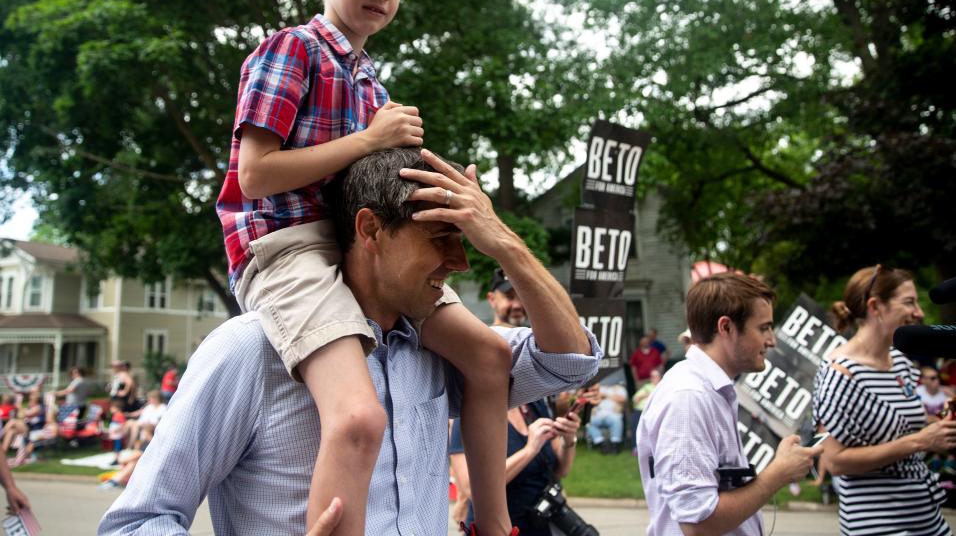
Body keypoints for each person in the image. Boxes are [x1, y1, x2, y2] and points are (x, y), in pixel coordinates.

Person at [99, 147, 600, 536]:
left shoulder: (447, 349)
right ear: (370, 229)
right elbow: (138, 519)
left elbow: (570, 361)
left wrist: (505, 243)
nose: (461, 261)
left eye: (465, 240)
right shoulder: (248, 352)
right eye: (439, 238)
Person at [213, 0, 513, 535]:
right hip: (285, 246)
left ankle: (493, 524)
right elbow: (257, 174)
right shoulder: (290, 50)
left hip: (356, 246)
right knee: (357, 418)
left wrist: (452, 188)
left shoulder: (370, 82)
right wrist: (368, 139)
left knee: (489, 357)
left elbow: (378, 186)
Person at [637, 272, 821, 535]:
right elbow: (698, 524)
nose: (772, 340)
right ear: (726, 328)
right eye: (763, 327)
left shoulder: (710, 390)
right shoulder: (688, 397)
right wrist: (778, 474)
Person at [813, 265, 956, 535]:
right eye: (909, 302)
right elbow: (835, 461)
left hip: (928, 519)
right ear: (875, 306)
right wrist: (922, 441)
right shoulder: (840, 373)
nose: (920, 313)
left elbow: (903, 425)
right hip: (877, 524)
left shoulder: (901, 362)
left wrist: (945, 423)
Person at [449, 269, 583, 535]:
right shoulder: (471, 407)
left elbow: (561, 469)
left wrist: (569, 439)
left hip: (543, 525)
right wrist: (529, 449)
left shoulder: (534, 402)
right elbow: (468, 488)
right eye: (506, 351)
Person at [585, 380, 628, 454]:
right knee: (588, 422)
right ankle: (601, 444)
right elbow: (588, 398)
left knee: (616, 420)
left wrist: (606, 395)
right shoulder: (598, 388)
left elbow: (623, 399)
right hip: (598, 414)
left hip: (613, 413)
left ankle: (615, 445)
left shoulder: (619, 388)